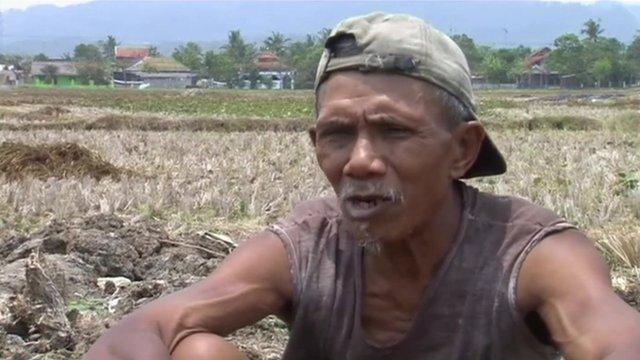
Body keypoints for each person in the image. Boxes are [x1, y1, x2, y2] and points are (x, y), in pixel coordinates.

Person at [87, 13, 640, 360]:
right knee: (198, 350)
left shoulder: (528, 253)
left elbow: (613, 337)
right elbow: (147, 328)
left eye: (394, 131)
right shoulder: (305, 246)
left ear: (462, 150)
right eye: (338, 134)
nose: (361, 162)